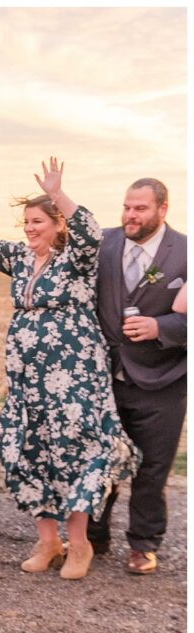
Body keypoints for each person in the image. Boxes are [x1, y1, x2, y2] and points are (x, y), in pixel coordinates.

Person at [0, 156, 139, 580]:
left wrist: (58, 192)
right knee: (30, 448)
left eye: (39, 220)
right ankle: (47, 541)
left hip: (75, 371)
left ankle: (79, 546)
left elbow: (90, 231)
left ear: (57, 223)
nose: (31, 228)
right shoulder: (20, 258)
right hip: (27, 374)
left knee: (73, 449)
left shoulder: (77, 258)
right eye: (26, 222)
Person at [87, 178, 186, 575]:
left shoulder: (187, 251)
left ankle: (144, 544)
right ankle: (93, 537)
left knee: (152, 467)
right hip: (104, 378)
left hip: (164, 380)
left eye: (140, 208)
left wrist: (161, 329)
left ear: (163, 209)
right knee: (100, 461)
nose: (130, 215)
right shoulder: (101, 243)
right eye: (127, 207)